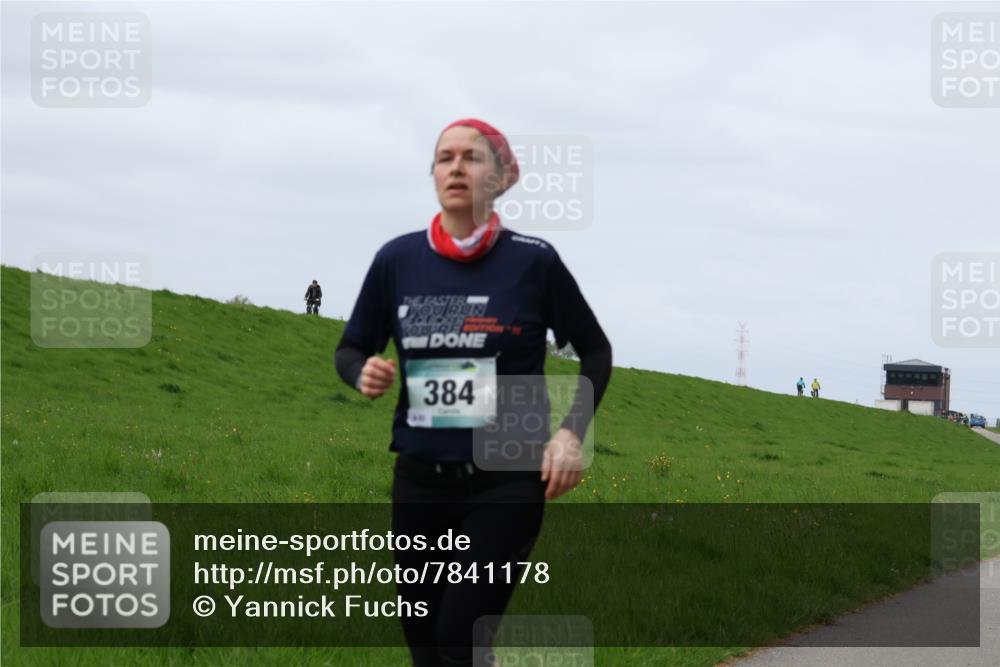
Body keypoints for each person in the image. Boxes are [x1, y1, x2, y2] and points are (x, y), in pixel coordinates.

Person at [334, 118, 612, 667]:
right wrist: (361, 371)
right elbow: (350, 348)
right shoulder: (397, 260)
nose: (455, 167)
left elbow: (595, 351)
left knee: (459, 635)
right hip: (418, 481)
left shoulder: (533, 262)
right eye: (444, 157)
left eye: (471, 157)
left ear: (501, 176)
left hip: (505, 482)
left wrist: (570, 435)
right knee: (426, 648)